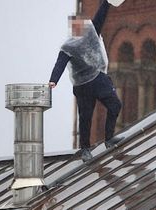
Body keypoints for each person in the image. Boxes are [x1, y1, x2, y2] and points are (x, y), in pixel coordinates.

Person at [48, 0, 125, 162]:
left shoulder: (91, 32)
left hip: (98, 77)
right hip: (83, 85)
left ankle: (109, 139)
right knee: (85, 117)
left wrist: (106, 2)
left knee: (115, 105)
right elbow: (60, 63)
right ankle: (85, 149)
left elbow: (100, 16)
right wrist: (53, 80)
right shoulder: (69, 46)